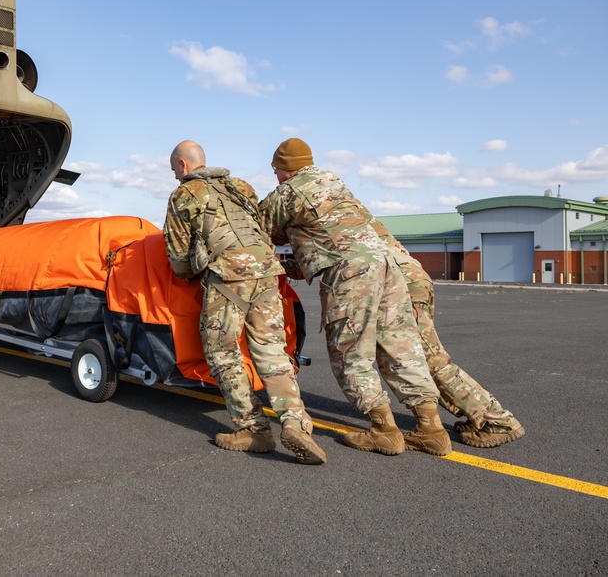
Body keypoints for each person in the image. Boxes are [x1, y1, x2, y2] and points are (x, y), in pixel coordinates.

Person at [258, 137, 451, 457]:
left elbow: (258, 231)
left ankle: (384, 431)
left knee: (350, 353)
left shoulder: (287, 193)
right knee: (401, 347)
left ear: (283, 168)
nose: (275, 176)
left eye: (275, 170)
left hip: (350, 275)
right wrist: (293, 264)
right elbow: (328, 239)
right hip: (387, 267)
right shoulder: (335, 184)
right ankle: (431, 429)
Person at [162, 140, 326, 465]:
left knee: (221, 349)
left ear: (182, 165)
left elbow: (179, 261)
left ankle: (253, 429)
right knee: (271, 351)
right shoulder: (240, 186)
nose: (174, 177)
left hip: (229, 275)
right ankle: (297, 424)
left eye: (173, 171)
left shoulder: (184, 195)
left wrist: (195, 267)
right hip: (267, 272)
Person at [366, 216, 525, 447]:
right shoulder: (346, 205)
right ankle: (476, 415)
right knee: (422, 358)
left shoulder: (314, 206)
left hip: (396, 283)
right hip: (407, 276)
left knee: (425, 359)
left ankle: (496, 419)